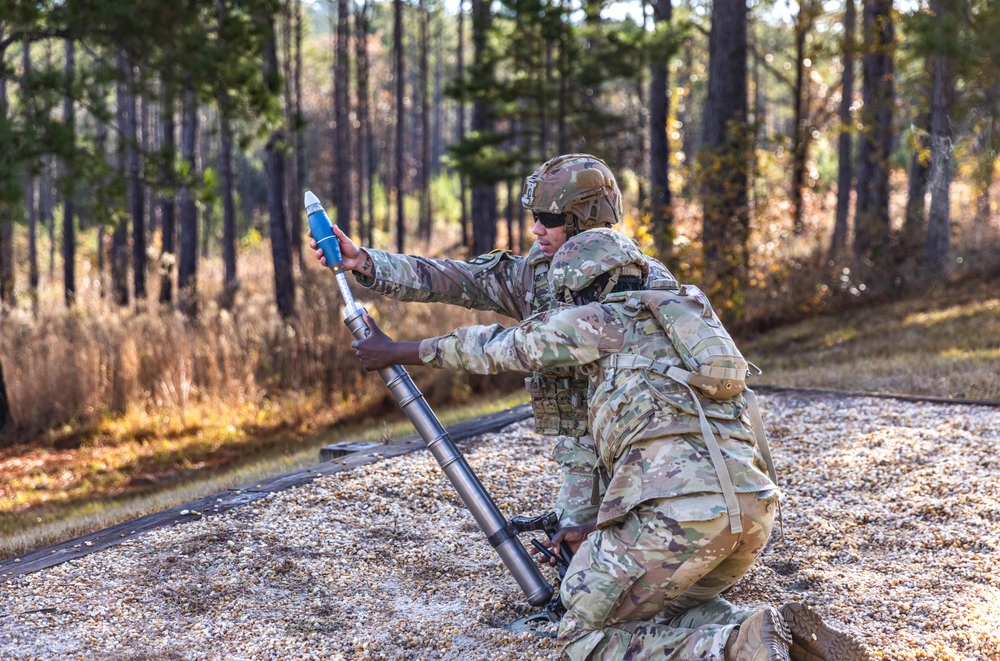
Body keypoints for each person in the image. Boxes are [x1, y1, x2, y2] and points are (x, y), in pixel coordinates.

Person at [349, 229, 870, 661]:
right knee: (658, 611)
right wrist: (600, 530)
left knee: (577, 638)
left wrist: (397, 349)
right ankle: (780, 633)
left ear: (581, 286)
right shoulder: (688, 318)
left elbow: (500, 347)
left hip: (675, 516)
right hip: (752, 515)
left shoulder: (599, 320)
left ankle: (733, 646)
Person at [311, 153, 675, 533]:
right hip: (584, 451)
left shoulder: (646, 282)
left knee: (644, 563)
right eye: (534, 217)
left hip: (649, 442)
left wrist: (400, 350)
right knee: (578, 560)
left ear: (585, 219)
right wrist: (367, 263)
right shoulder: (537, 278)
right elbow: (457, 279)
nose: (536, 230)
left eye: (549, 220)